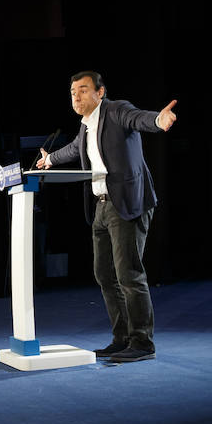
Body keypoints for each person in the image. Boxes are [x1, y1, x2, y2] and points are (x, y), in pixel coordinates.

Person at [37, 71, 177, 363]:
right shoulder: (85, 126)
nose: (77, 96)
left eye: (83, 90)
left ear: (100, 93)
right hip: (101, 206)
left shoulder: (116, 110)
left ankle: (142, 342)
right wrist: (49, 159)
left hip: (127, 202)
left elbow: (139, 118)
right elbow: (75, 150)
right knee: (104, 274)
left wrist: (157, 120)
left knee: (128, 273)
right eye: (73, 92)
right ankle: (122, 338)